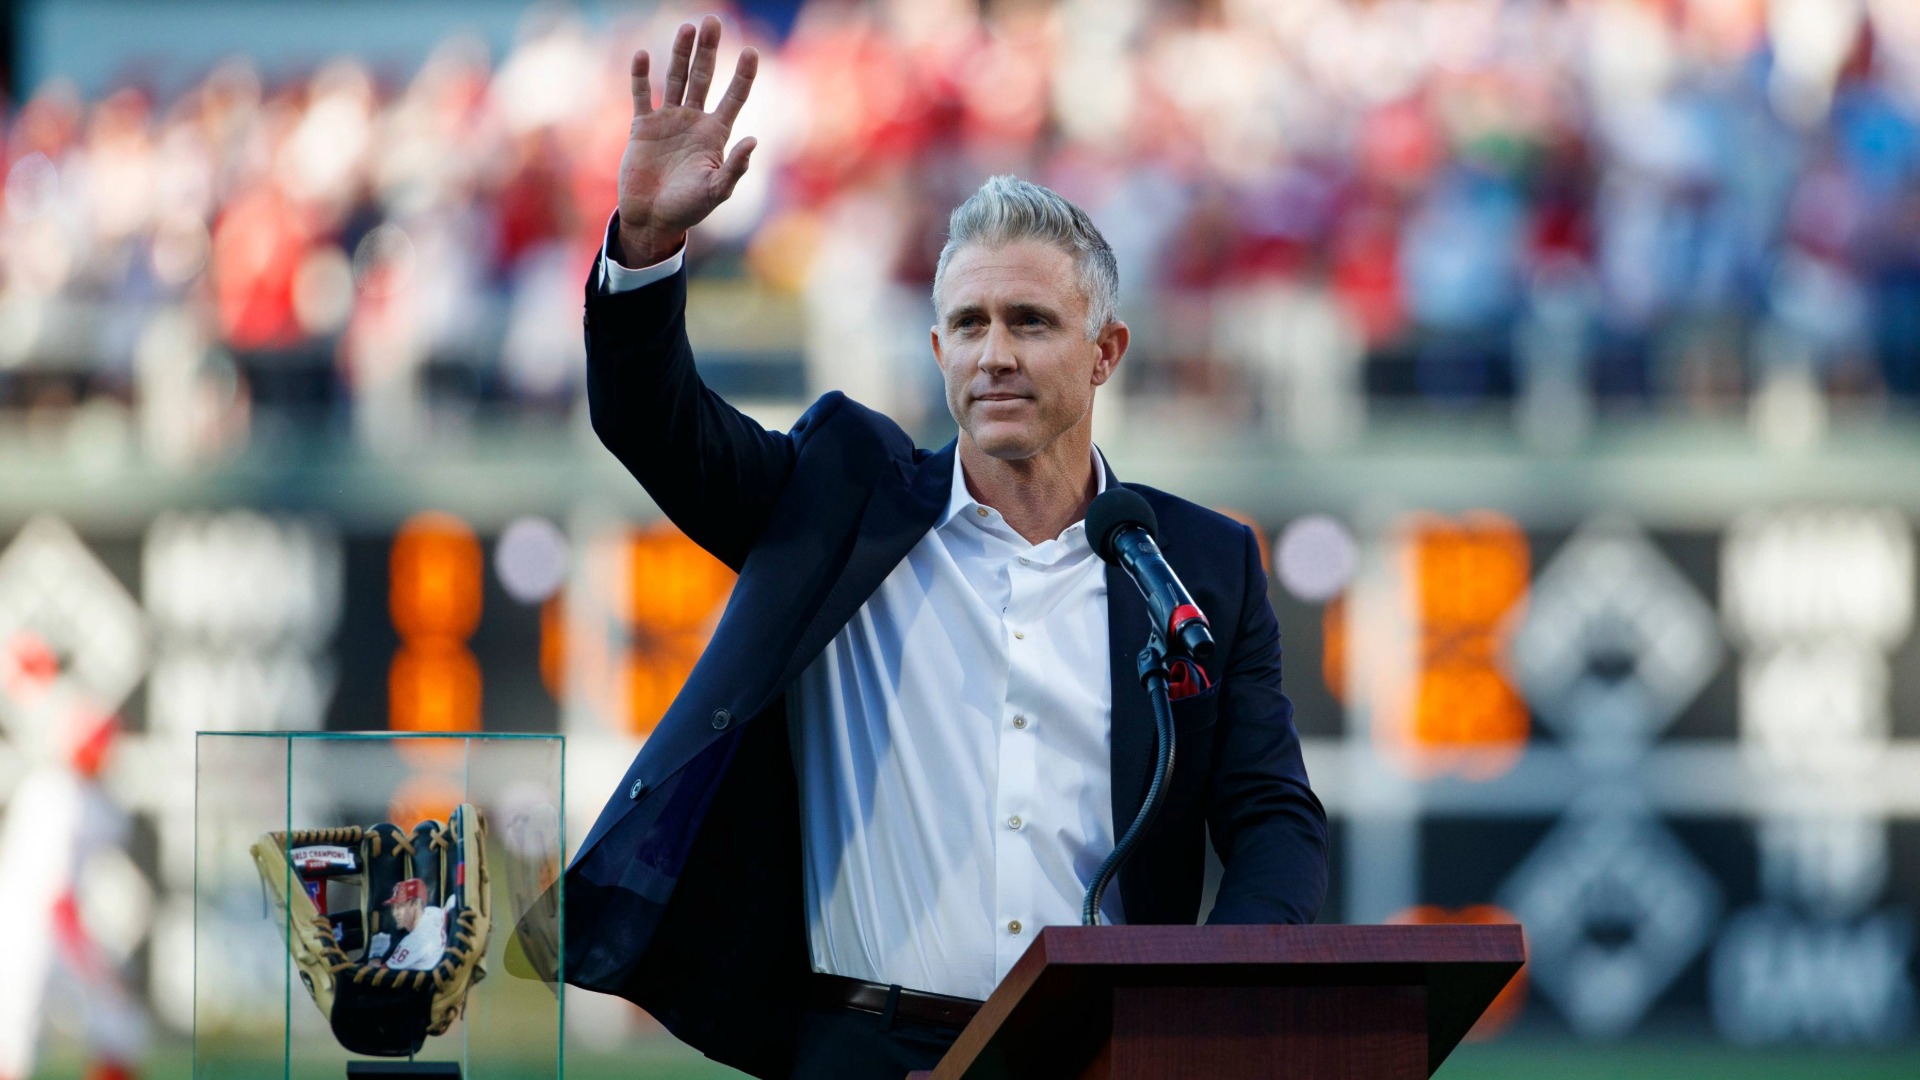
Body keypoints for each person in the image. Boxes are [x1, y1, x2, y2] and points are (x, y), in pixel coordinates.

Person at [558, 16, 1327, 1080]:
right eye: (967, 326)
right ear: (935, 351)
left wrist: (1208, 1007)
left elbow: (1273, 816)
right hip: (859, 1048)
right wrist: (644, 248)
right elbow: (653, 421)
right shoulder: (840, 500)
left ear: (1106, 351)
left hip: (1101, 1055)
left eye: (1029, 321)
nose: (995, 354)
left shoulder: (1199, 564)